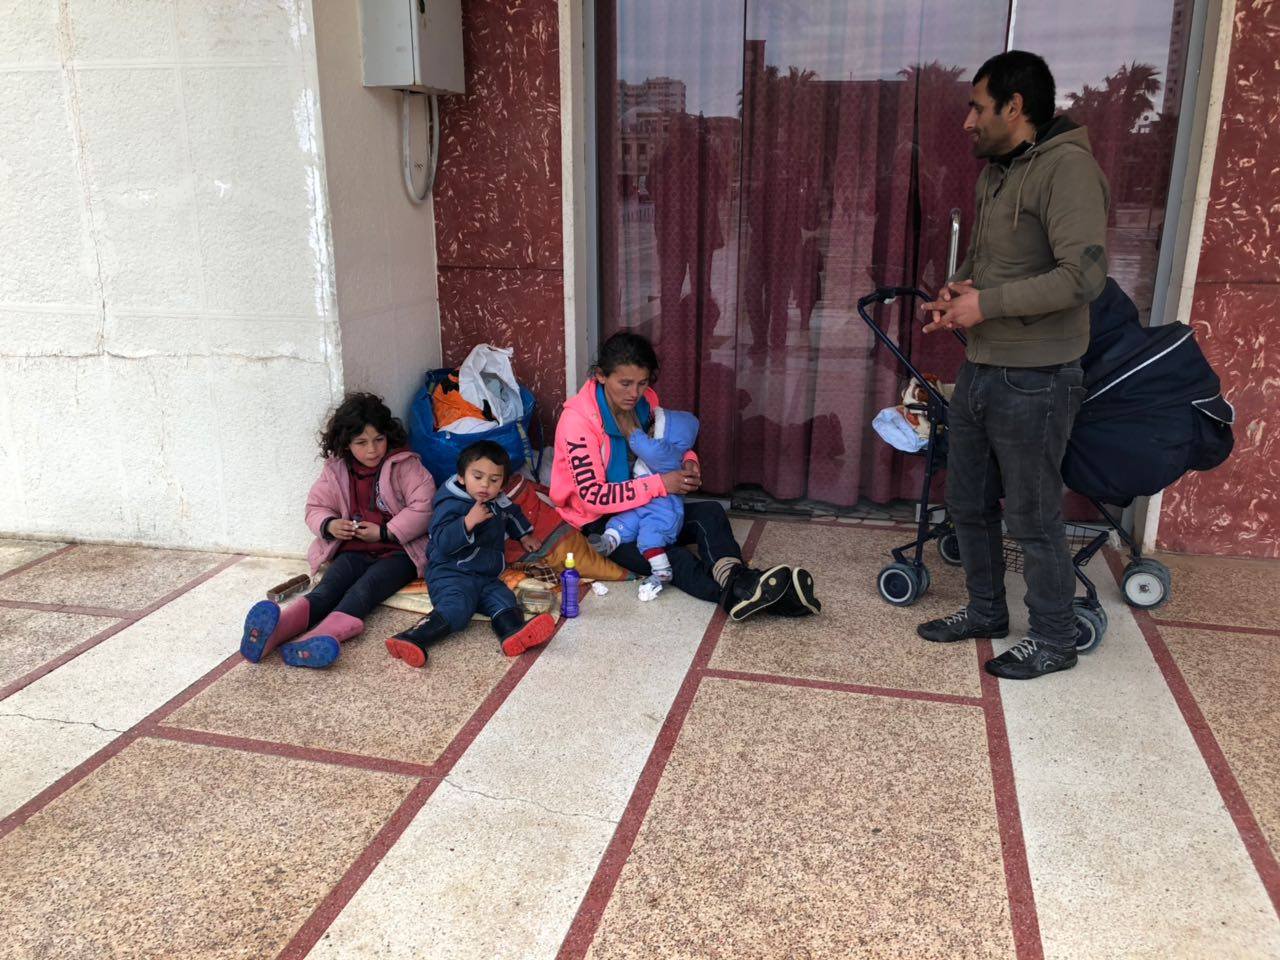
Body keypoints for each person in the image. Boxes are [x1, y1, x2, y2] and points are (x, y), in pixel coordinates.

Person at [917, 51, 1109, 680]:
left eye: (977, 107)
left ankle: (1054, 638)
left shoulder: (1068, 170)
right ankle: (986, 611)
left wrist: (987, 304)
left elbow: (1083, 277)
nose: (968, 122)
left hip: (1038, 376)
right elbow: (989, 261)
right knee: (968, 501)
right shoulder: (998, 173)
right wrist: (958, 292)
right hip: (983, 365)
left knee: (1031, 515)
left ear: (1015, 106)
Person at [551, 331, 820, 619]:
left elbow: (669, 444)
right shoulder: (577, 422)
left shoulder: (645, 402)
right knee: (673, 558)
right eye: (625, 383)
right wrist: (661, 484)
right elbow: (593, 497)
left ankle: (739, 580)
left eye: (642, 383)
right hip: (603, 523)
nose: (634, 393)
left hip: (649, 505)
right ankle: (747, 596)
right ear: (601, 376)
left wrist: (689, 462)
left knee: (711, 513)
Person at [239, 393, 435, 669]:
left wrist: (384, 532)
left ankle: (319, 638)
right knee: (327, 589)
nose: (372, 450)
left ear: (388, 436)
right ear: (346, 443)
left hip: (399, 552)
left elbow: (425, 506)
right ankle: (275, 632)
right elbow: (316, 507)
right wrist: (330, 525)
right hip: (354, 550)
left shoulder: (404, 465)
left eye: (379, 439)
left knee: (363, 591)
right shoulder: (337, 469)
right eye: (361, 443)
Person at [385, 441, 555, 667]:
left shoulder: (497, 499)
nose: (485, 484)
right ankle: (412, 638)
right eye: (478, 476)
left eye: (494, 480)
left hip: (485, 574)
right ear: (462, 477)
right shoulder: (450, 503)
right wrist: (467, 522)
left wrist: (524, 535)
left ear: (502, 484)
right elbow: (442, 541)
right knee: (457, 608)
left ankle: (513, 633)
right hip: (450, 572)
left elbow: (512, 513)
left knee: (503, 598)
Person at [592, 405, 700, 601]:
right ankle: (609, 541)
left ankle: (662, 571)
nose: (649, 431)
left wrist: (630, 429)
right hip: (644, 503)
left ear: (669, 435)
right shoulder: (672, 452)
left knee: (649, 538)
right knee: (623, 521)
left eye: (654, 428)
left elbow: (646, 447)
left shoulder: (665, 452)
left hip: (662, 511)